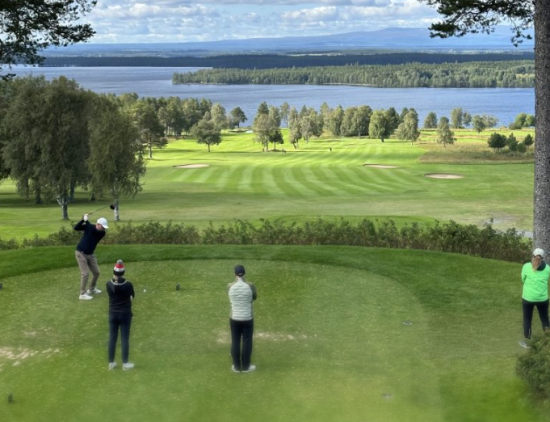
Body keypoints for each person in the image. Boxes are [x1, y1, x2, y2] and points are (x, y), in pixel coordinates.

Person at [228, 264, 257, 373]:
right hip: (247, 318)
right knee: (247, 341)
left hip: (234, 318)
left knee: (235, 341)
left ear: (234, 274)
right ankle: (245, 367)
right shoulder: (251, 285)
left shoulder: (229, 286)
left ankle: (236, 367)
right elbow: (254, 297)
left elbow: (230, 296)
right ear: (244, 274)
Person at [107, 260, 135, 370]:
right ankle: (125, 363)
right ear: (123, 272)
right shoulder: (128, 285)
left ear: (114, 272)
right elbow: (132, 297)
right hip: (125, 315)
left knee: (112, 338)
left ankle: (111, 363)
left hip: (112, 314)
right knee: (124, 338)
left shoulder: (108, 284)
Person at [520, 248, 550, 348]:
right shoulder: (548, 269)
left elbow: (523, 279)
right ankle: (548, 340)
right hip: (543, 299)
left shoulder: (526, 266)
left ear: (533, 256)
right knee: (545, 319)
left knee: (527, 319)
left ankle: (527, 341)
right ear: (543, 258)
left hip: (528, 298)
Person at [74, 214, 108, 300]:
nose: (104, 229)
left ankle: (91, 289)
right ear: (98, 224)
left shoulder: (101, 233)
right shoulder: (89, 227)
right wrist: (82, 220)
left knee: (96, 272)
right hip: (80, 253)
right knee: (85, 273)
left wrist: (86, 220)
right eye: (103, 227)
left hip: (90, 254)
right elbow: (76, 228)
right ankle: (82, 294)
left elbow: (93, 231)